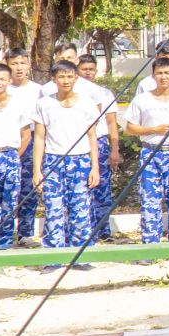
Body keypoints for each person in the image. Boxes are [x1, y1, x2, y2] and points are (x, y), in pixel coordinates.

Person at [31, 60, 102, 271]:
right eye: (61, 76)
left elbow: (92, 137)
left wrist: (95, 167)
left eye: (70, 76)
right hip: (54, 160)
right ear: (53, 79)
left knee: (80, 210)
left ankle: (80, 257)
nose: (65, 81)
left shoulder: (87, 103)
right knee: (53, 209)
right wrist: (37, 170)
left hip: (80, 160)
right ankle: (53, 257)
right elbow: (39, 138)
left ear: (76, 78)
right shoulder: (44, 104)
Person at [123, 57, 169, 244]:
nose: (163, 77)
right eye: (159, 73)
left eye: (167, 73)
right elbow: (129, 128)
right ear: (153, 75)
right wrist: (153, 130)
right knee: (150, 201)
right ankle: (151, 243)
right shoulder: (142, 100)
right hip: (151, 153)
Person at [0, 63, 34, 251]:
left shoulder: (18, 104)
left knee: (9, 203)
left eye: (2, 79)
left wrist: (15, 156)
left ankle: (3, 244)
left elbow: (26, 135)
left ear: (9, 81)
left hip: (10, 156)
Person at [76, 54, 122, 242]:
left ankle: (103, 231)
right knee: (80, 188)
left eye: (91, 69)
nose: (87, 73)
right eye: (84, 69)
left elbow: (111, 123)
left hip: (100, 142)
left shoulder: (104, 93)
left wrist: (114, 149)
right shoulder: (72, 91)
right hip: (78, 144)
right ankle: (84, 231)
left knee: (102, 188)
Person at [4, 48, 45, 246]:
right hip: (7, 142)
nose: (18, 68)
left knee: (28, 189)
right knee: (5, 191)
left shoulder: (38, 90)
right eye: (14, 63)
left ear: (29, 65)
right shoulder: (0, 87)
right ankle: (1, 233)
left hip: (31, 142)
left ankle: (25, 233)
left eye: (22, 63)